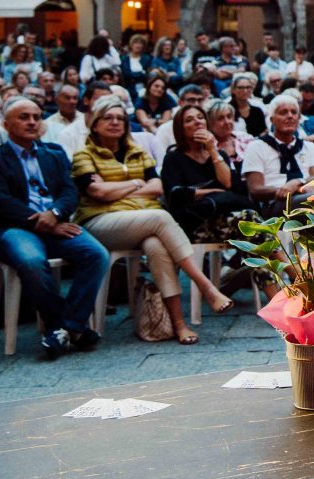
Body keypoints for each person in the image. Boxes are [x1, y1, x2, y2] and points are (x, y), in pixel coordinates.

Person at [73, 100, 232, 343]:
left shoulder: (137, 152)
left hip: (142, 220)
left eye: (120, 118)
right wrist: (137, 184)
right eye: (108, 118)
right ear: (95, 125)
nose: (115, 122)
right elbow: (97, 194)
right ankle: (205, 285)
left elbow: (157, 187)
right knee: (159, 217)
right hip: (101, 221)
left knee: (156, 246)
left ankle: (178, 324)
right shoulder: (84, 155)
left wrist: (116, 188)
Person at [0, 96, 111, 359]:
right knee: (31, 260)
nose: (32, 122)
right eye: (24, 117)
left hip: (56, 222)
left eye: (37, 117)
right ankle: (64, 326)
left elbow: (69, 191)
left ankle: (67, 327)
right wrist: (45, 224)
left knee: (96, 254)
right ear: (6, 124)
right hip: (13, 227)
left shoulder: (54, 153)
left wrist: (56, 213)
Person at [159, 103, 247, 241]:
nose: (197, 122)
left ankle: (282, 262)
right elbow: (176, 195)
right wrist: (214, 192)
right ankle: (286, 262)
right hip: (193, 223)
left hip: (224, 215)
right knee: (248, 221)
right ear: (180, 129)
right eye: (189, 120)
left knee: (249, 220)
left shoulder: (219, 155)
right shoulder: (173, 158)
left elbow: (228, 183)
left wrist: (212, 150)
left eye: (200, 117)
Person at [242, 96, 314, 216]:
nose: (290, 116)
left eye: (294, 112)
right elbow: (255, 190)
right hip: (274, 202)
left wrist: (298, 183)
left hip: (307, 194)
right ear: (272, 119)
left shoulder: (309, 147)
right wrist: (285, 190)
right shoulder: (257, 146)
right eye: (283, 112)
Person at [41, 82, 85, 148]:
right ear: (56, 100)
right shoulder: (48, 124)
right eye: (67, 98)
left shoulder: (85, 120)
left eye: (75, 98)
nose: (72, 102)